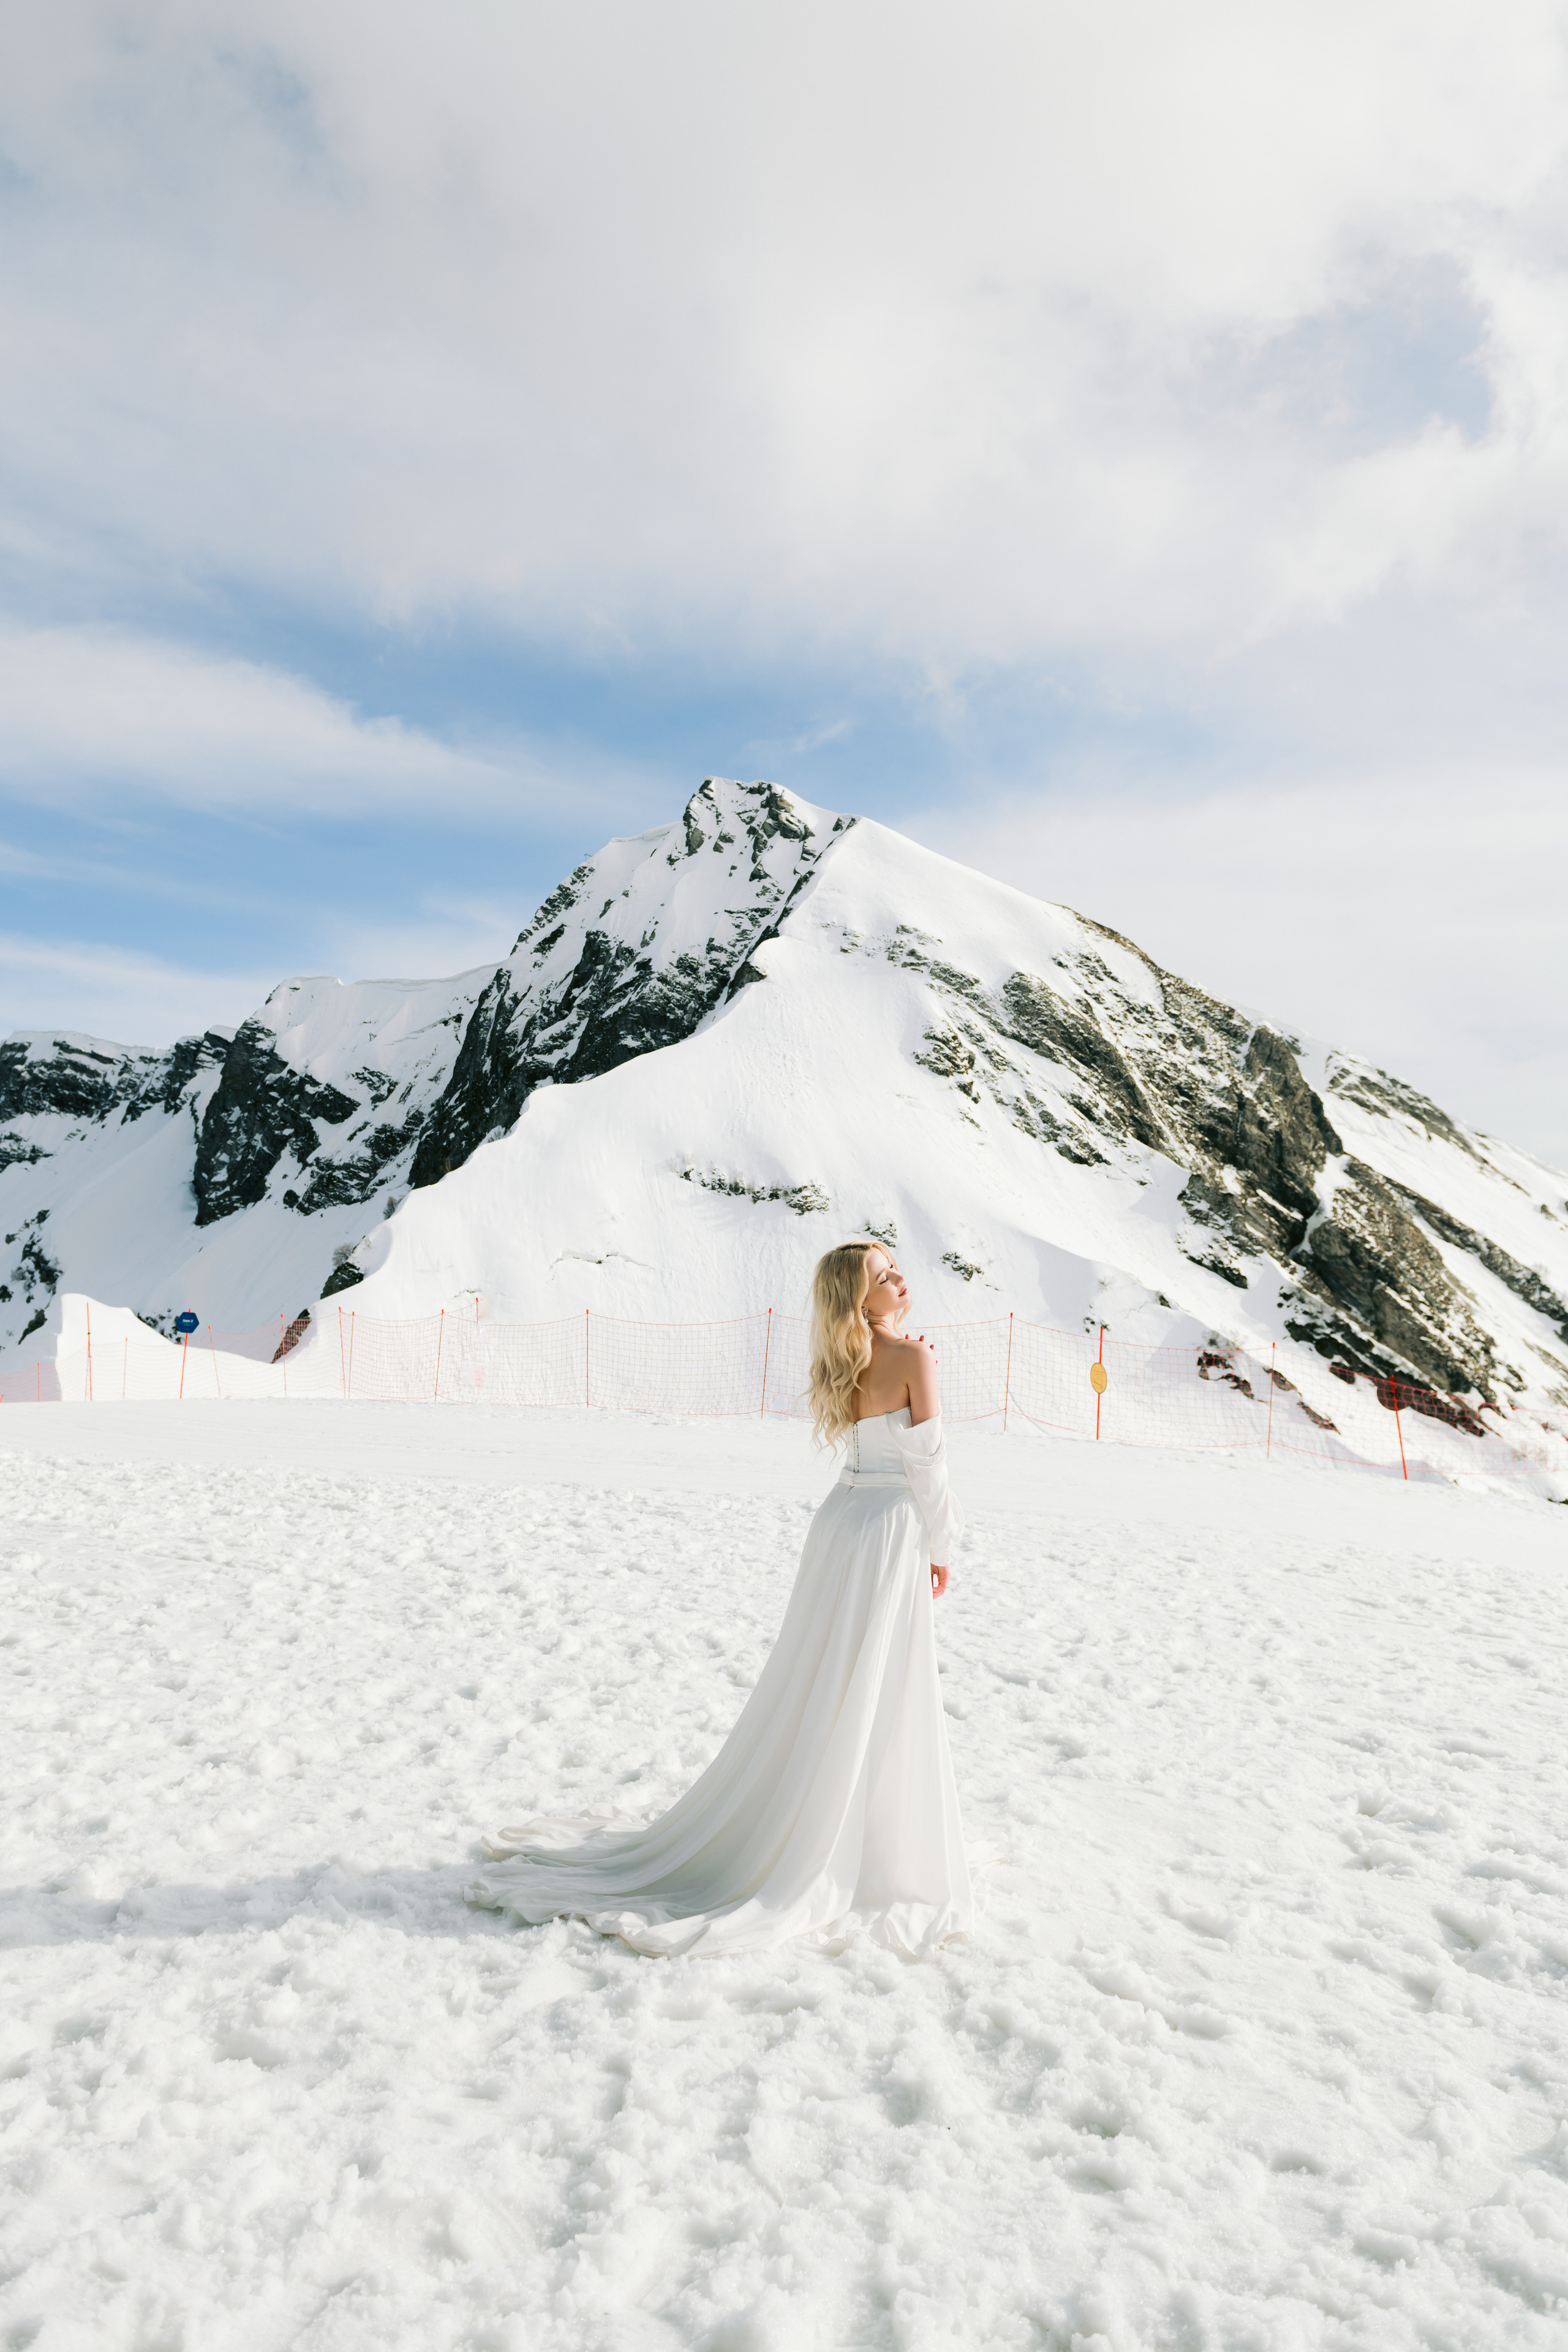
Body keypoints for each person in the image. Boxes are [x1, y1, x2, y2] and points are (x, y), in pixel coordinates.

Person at [466, 1242, 973, 1956]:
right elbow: (930, 1467)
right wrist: (944, 1548)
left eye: (894, 1267)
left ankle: (828, 1812)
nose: (898, 1277)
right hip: (888, 1529)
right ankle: (868, 1835)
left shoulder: (845, 1361)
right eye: (882, 1276)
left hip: (839, 1527)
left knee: (825, 1677)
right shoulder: (915, 1360)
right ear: (859, 1300)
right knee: (879, 1679)